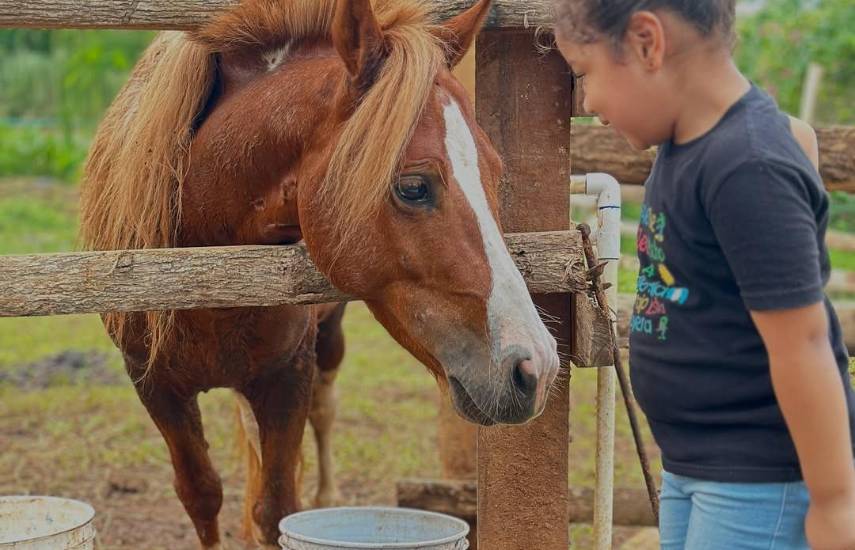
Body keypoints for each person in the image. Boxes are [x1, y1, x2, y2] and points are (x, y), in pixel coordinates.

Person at [552, 1, 855, 548]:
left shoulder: (747, 166)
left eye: (586, 73)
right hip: (694, 463)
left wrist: (835, 503)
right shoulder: (694, 145)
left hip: (757, 476)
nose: (590, 102)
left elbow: (805, 345)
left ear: (647, 42)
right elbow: (795, 135)